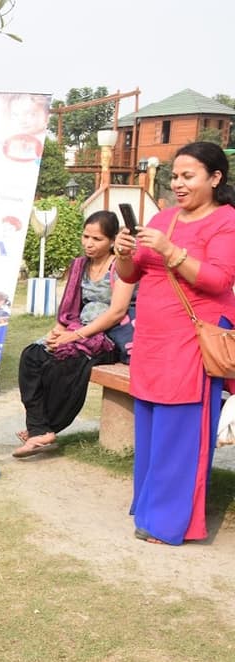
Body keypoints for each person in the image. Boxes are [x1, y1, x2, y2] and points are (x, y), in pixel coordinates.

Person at [113, 140, 235, 545]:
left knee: (180, 430)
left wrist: (171, 251)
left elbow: (220, 279)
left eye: (188, 176)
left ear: (215, 178)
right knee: (150, 425)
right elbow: (131, 275)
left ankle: (168, 523)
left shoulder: (226, 221)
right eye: (175, 176)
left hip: (192, 338)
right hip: (151, 338)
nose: (178, 184)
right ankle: (149, 506)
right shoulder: (163, 217)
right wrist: (123, 253)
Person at [13, 211, 135, 458]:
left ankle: (44, 428)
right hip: (77, 329)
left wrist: (75, 336)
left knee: (65, 364)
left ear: (112, 240)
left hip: (106, 337)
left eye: (97, 239)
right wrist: (57, 333)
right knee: (33, 355)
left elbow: (116, 312)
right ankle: (39, 428)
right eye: (86, 236)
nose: (89, 243)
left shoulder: (121, 266)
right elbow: (70, 309)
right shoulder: (80, 265)